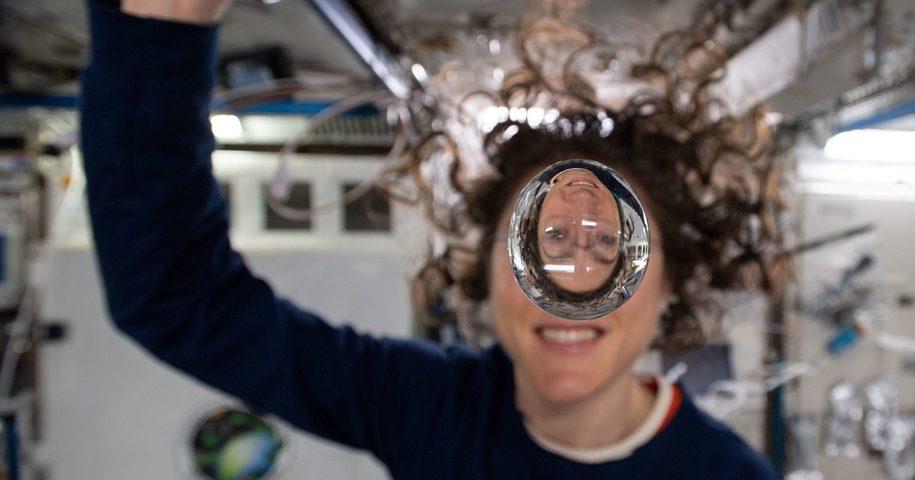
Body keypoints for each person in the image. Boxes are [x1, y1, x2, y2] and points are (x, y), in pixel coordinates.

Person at [81, 0, 781, 478]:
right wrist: (161, 31)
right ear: (485, 275)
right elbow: (175, 297)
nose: (572, 289)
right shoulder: (429, 407)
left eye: (612, 253)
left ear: (670, 285)